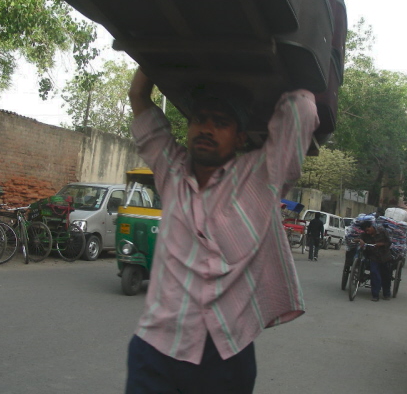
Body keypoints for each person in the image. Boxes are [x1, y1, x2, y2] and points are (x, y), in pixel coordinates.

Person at [125, 67, 319, 394]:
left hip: (226, 355)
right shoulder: (170, 171)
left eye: (221, 122)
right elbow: (138, 97)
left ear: (240, 137)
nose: (207, 129)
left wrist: (282, 64)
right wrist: (153, 54)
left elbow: (303, 111)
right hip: (155, 349)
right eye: (200, 119)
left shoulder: (261, 177)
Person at [358, 218, 392, 301]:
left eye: (368, 230)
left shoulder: (382, 231)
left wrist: (381, 244)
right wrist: (360, 240)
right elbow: (356, 239)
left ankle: (386, 293)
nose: (367, 232)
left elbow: (389, 242)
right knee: (374, 274)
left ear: (371, 227)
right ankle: (375, 295)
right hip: (373, 257)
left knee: (386, 276)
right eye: (365, 231)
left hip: (385, 257)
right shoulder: (365, 235)